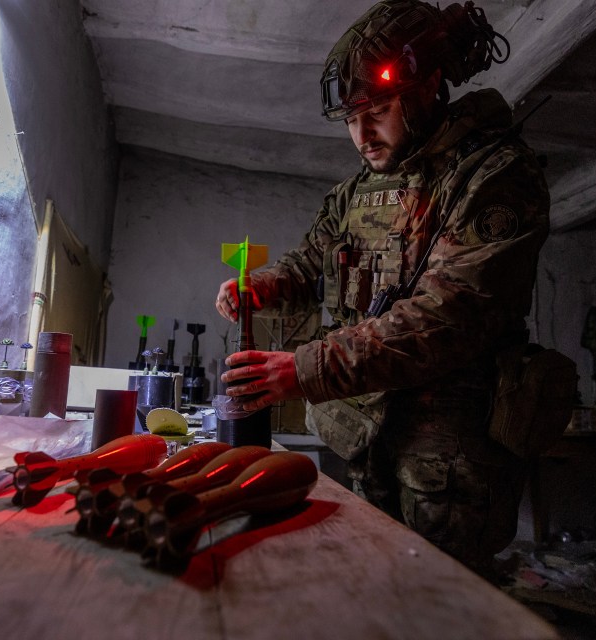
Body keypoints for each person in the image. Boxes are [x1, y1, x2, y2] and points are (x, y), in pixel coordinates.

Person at [214, 0, 550, 576]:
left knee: (439, 597)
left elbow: (450, 315)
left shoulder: (492, 177)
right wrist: (260, 286)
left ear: (429, 88)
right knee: (376, 583)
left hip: (449, 452)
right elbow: (308, 262)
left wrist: (303, 369)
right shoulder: (357, 192)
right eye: (351, 118)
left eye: (380, 110)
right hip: (370, 430)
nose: (362, 135)